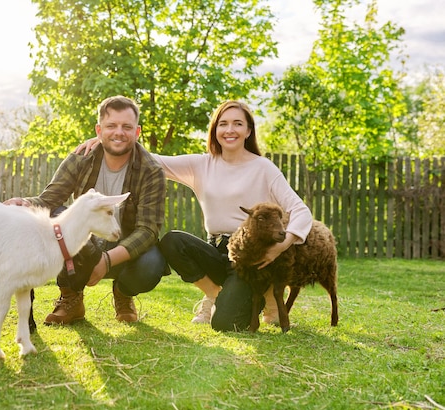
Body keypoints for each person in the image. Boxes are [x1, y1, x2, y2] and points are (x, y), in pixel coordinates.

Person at [77, 100, 312, 331]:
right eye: (223, 124)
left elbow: (300, 210)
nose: (230, 130)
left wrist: (281, 246)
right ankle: (214, 294)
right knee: (172, 241)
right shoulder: (202, 164)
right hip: (216, 249)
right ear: (215, 129)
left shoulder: (264, 168)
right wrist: (107, 141)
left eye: (238, 124)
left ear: (248, 131)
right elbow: (153, 160)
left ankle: (261, 294)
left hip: (249, 257)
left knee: (225, 324)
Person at [5, 95, 168, 325]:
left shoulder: (151, 170)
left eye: (126, 127)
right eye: (111, 126)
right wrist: (23, 203)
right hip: (84, 243)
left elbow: (148, 230)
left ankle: (123, 294)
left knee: (153, 263)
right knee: (55, 217)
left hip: (122, 244)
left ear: (137, 132)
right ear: (99, 130)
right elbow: (50, 200)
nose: (119, 132)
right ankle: (71, 297)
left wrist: (107, 261)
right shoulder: (81, 158)